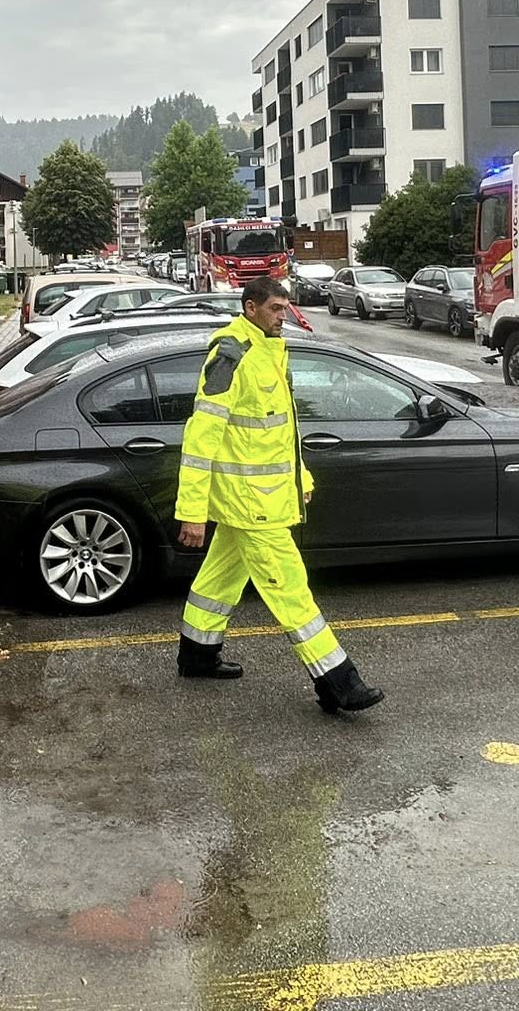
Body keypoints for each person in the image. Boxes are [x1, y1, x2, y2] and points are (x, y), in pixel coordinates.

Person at [174, 276, 384, 714]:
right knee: (291, 591)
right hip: (251, 504)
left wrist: (299, 481)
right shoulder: (232, 355)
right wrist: (192, 512)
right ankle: (338, 683)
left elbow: (281, 434)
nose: (282, 316)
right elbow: (200, 438)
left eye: (285, 308)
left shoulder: (271, 351)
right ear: (250, 308)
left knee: (219, 579)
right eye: (274, 308)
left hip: (259, 498)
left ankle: (197, 655)